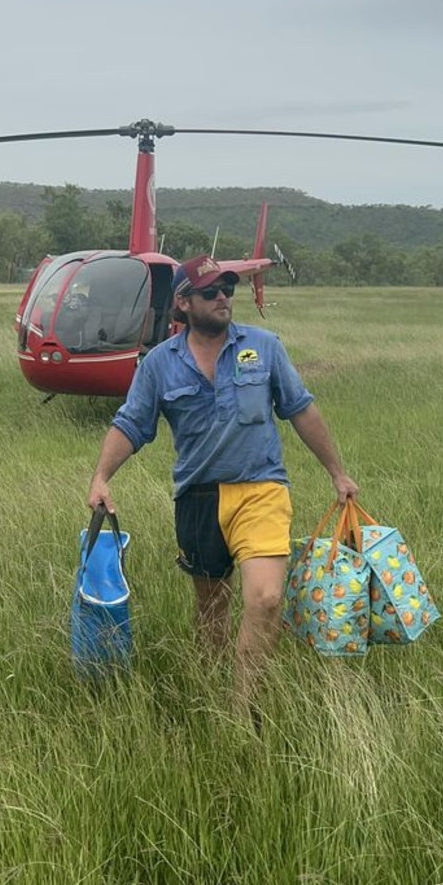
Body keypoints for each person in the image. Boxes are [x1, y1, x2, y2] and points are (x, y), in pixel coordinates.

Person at [87, 254, 358, 722]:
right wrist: (101, 476)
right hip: (197, 498)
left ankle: (244, 711)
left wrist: (337, 471)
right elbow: (132, 424)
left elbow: (301, 409)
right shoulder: (159, 365)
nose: (222, 298)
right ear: (184, 302)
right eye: (210, 292)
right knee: (212, 609)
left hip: (261, 490)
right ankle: (208, 691)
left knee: (266, 599)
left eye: (226, 291)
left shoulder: (264, 347)